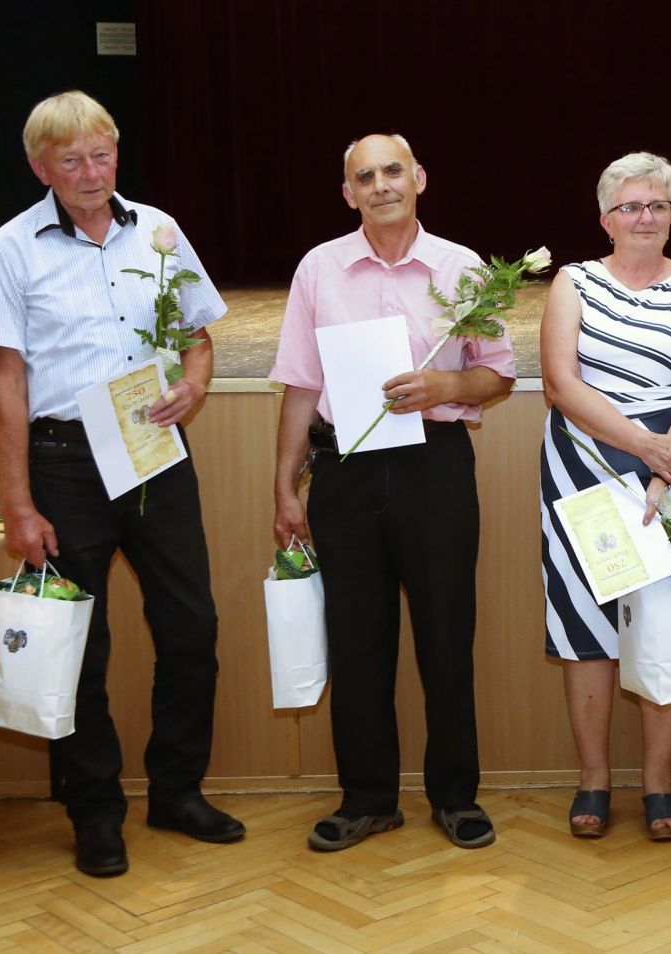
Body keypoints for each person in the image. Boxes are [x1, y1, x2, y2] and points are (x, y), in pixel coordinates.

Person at [0, 91, 243, 878]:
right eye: (71, 161)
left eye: (101, 155)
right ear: (40, 169)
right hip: (63, 461)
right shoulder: (9, 248)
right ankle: (94, 812)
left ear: (117, 153)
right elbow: (6, 386)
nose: (91, 174)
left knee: (191, 628)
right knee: (77, 647)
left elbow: (198, 339)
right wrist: (18, 504)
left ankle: (177, 792)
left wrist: (194, 384)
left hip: (154, 448)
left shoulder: (159, 230)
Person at [271, 134, 514, 851]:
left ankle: (456, 797)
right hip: (343, 472)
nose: (380, 185)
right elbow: (300, 385)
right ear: (348, 193)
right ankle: (367, 799)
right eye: (364, 176)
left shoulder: (462, 268)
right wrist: (284, 485)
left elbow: (497, 374)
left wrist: (445, 385)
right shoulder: (318, 268)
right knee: (356, 645)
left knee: (447, 639)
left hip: (434, 469)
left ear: (419, 179)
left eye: (392, 171)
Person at [539, 152, 671, 840]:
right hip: (583, 464)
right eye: (629, 206)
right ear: (605, 219)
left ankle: (658, 783)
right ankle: (593, 780)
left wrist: (664, 464)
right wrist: (643, 445)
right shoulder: (573, 281)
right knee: (585, 628)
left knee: (664, 624)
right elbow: (560, 383)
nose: (644, 217)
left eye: (657, 205)